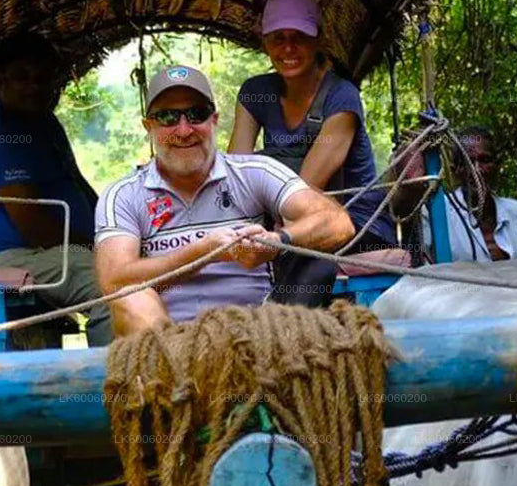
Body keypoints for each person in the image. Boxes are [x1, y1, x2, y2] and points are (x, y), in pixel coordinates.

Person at [94, 65, 354, 335]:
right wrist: (203, 253)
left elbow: (338, 223)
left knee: (317, 262)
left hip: (256, 333)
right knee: (130, 296)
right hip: (166, 339)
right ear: (149, 126)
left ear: (214, 120)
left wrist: (277, 241)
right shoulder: (123, 195)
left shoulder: (254, 172)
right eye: (168, 117)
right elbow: (113, 281)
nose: (184, 130)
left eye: (196, 114)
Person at [228, 0, 398, 306]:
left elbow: (304, 190)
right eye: (278, 38)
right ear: (264, 41)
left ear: (318, 39)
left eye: (299, 38)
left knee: (308, 251)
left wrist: (273, 231)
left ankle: (283, 323)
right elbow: (237, 173)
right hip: (286, 214)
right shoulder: (255, 92)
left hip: (354, 223)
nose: (288, 48)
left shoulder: (341, 95)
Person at [0, 33, 112, 346]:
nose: (33, 87)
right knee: (114, 288)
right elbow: (34, 227)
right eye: (22, 77)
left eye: (41, 79)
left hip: (52, 253)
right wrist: (98, 247)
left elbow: (77, 181)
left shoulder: (44, 123)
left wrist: (112, 231)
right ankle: (112, 373)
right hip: (14, 256)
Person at [394, 126, 517, 263]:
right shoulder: (436, 214)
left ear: (497, 166)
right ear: (455, 169)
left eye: (485, 160)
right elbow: (422, 267)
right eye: (467, 162)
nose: (477, 170)